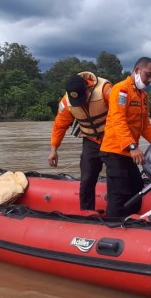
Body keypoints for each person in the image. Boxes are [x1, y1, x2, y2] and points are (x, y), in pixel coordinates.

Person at [100, 57, 151, 218]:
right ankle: (113, 228)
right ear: (137, 70)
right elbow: (118, 120)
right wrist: (132, 147)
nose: (150, 80)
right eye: (148, 74)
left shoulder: (143, 96)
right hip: (115, 150)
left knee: (136, 188)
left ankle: (129, 224)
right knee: (119, 193)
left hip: (128, 152)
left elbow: (145, 126)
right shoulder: (121, 90)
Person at [48, 72, 112, 210]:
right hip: (90, 140)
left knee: (116, 176)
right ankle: (86, 213)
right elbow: (60, 125)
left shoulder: (105, 90)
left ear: (88, 89)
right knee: (87, 179)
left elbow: (122, 117)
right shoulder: (66, 103)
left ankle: (116, 212)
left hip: (112, 140)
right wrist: (53, 150)